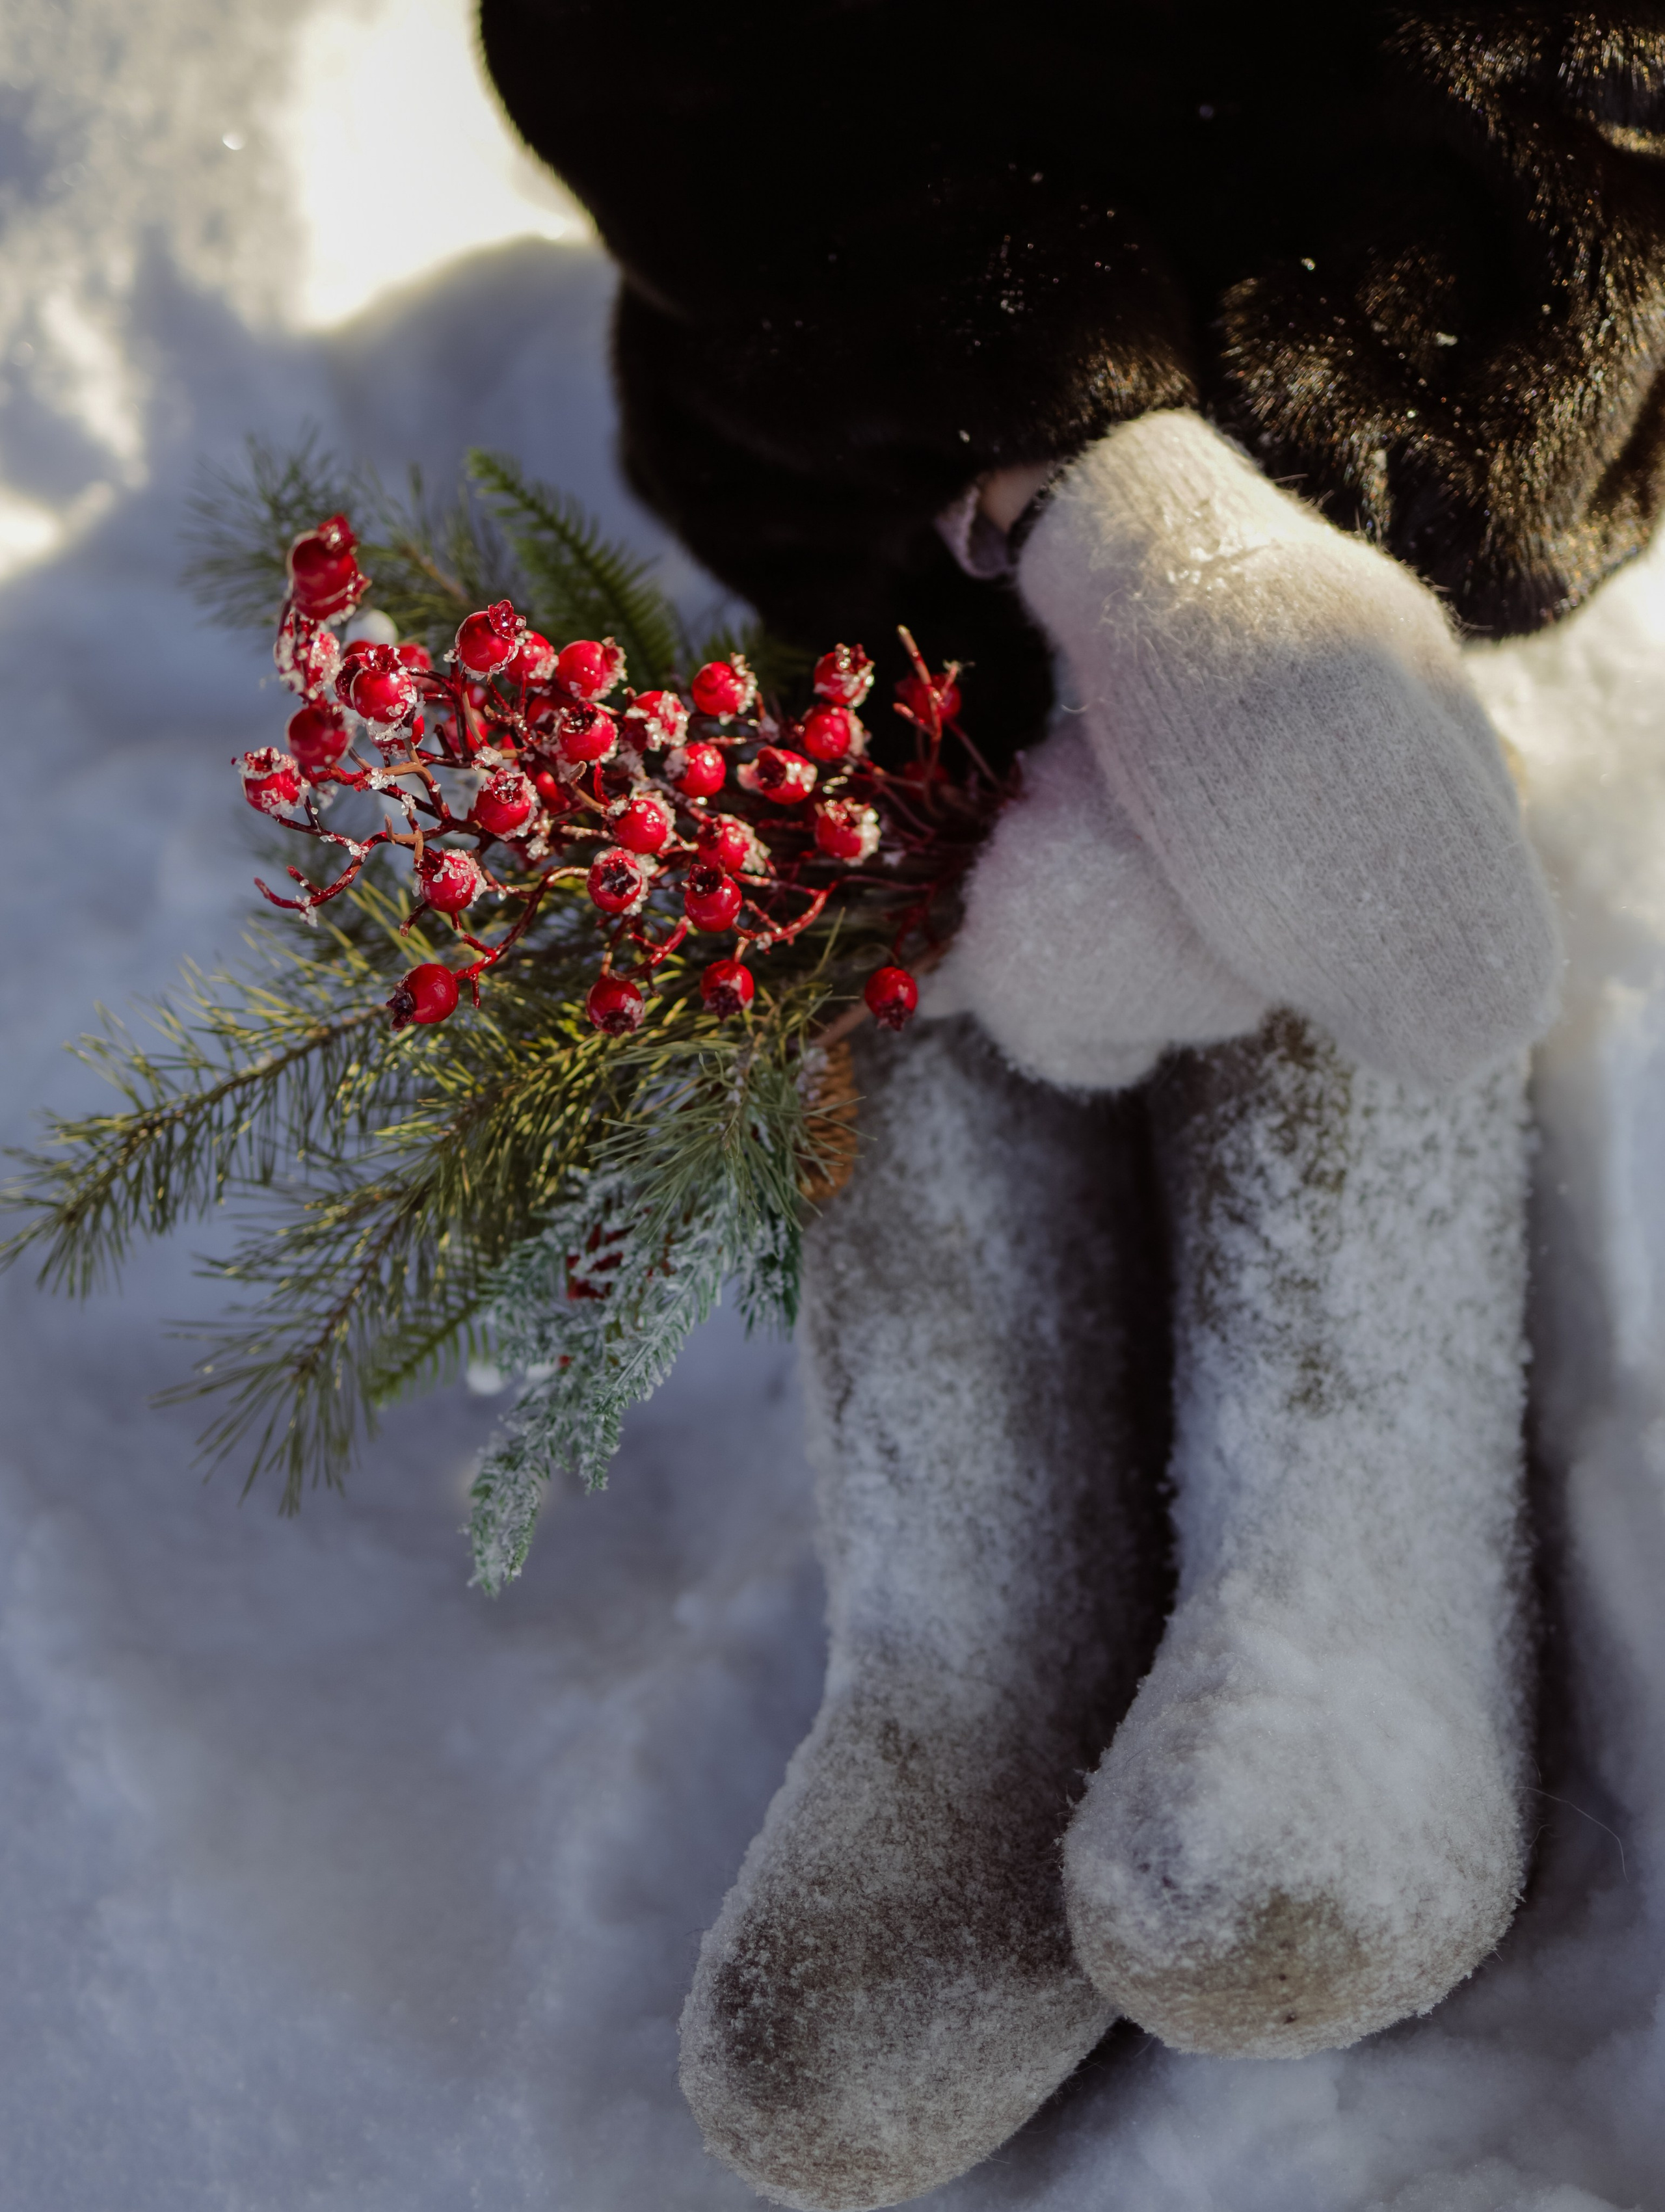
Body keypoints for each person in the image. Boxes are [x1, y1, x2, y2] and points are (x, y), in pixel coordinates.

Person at [479, 7, 1665, 2204]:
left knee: (1350, 860)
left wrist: (1320, 475)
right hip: (888, 461)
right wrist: (1069, 449)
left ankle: (1356, 1605)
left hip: (1388, 418)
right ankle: (965, 1663)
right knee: (887, 896)